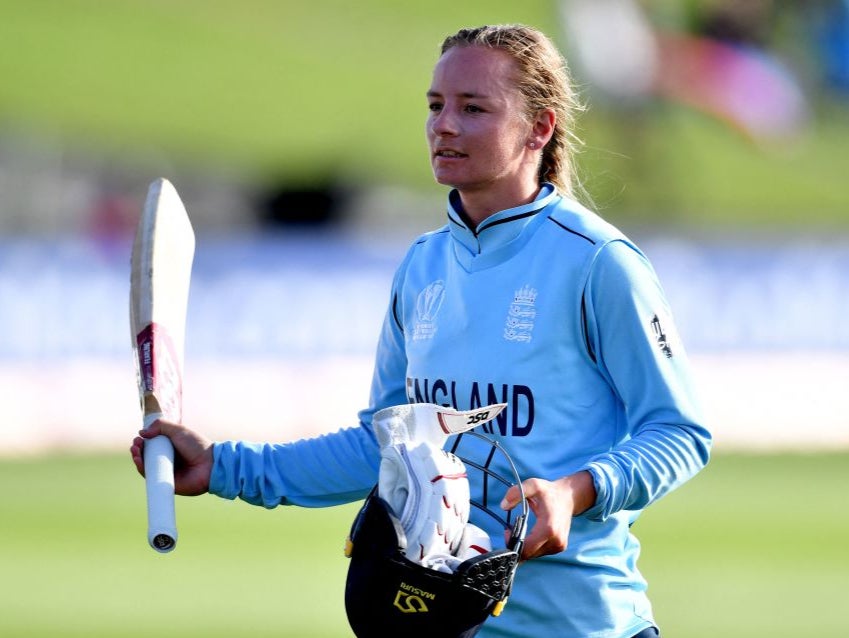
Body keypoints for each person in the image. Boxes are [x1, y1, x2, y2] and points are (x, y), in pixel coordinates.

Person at [131, 23, 712, 638]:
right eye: (436, 106)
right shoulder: (422, 267)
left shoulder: (599, 264)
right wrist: (223, 467)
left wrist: (578, 490)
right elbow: (384, 445)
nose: (444, 125)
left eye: (473, 108)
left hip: (585, 627)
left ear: (539, 128)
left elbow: (680, 431)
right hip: (445, 626)